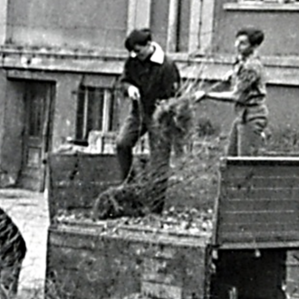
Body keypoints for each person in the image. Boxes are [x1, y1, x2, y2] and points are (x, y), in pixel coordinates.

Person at [115, 28, 181, 212]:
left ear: (149, 45)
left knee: (159, 163)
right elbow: (123, 81)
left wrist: (165, 108)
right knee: (122, 143)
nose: (136, 55)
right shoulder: (133, 60)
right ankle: (130, 187)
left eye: (139, 50)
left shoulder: (167, 66)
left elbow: (176, 96)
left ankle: (155, 208)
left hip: (161, 117)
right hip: (139, 113)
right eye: (133, 51)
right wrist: (129, 89)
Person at [195, 27, 268, 156]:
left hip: (252, 115)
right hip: (242, 115)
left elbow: (236, 95)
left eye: (243, 43)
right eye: (237, 42)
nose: (237, 46)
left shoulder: (251, 67)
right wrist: (232, 74)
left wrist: (207, 95)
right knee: (231, 157)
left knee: (245, 162)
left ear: (255, 46)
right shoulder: (242, 60)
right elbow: (239, 70)